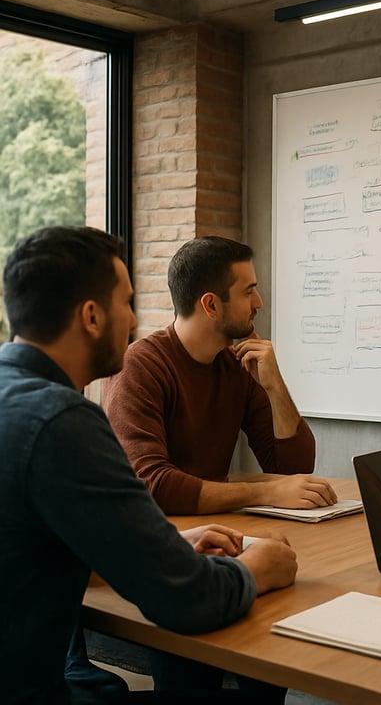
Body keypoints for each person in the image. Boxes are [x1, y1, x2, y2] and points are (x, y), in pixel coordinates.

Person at [0, 226, 298, 705]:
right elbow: (185, 599)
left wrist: (166, 544)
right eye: (126, 302)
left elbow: (40, 546)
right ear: (91, 316)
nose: (135, 318)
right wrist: (257, 569)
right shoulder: (61, 421)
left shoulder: (15, 398)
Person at [102, 235, 337, 515]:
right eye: (248, 292)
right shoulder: (139, 366)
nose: (259, 302)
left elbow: (294, 470)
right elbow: (151, 485)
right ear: (211, 305)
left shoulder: (238, 365)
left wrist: (274, 386)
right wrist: (265, 492)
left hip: (214, 528)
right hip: (158, 532)